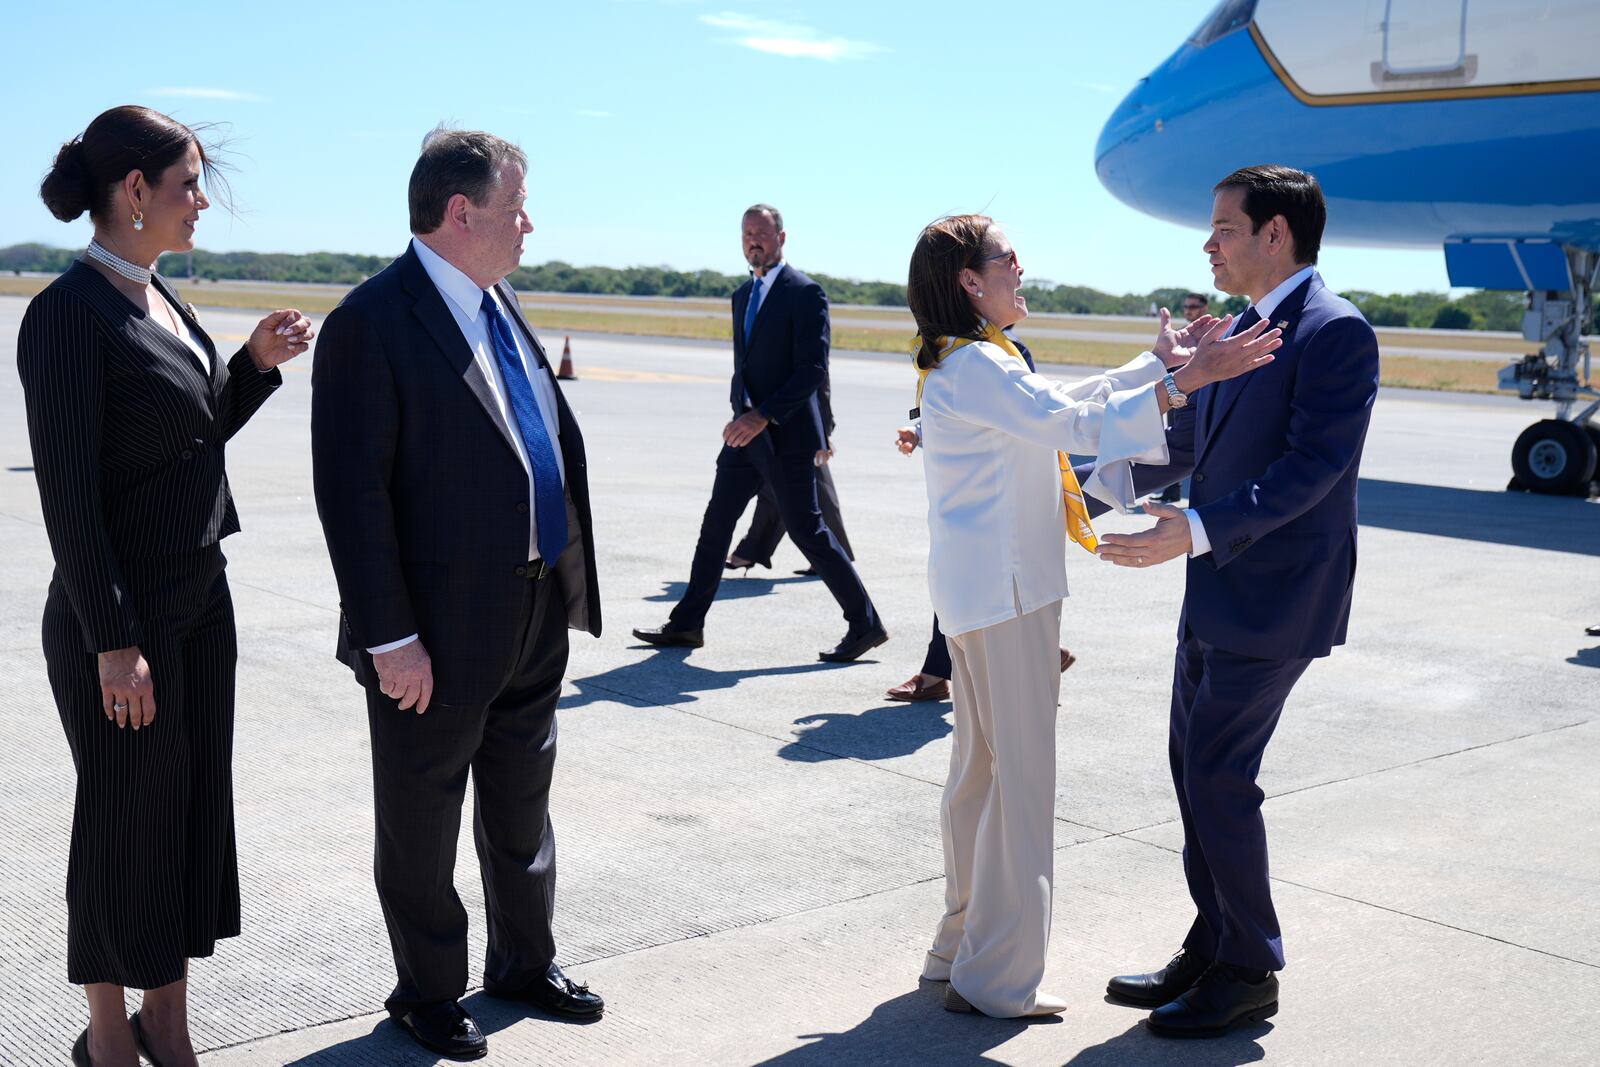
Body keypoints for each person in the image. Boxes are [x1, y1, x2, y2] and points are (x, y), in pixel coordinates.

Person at [908, 214, 1280, 1019]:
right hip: (1009, 598)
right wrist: (1185, 383)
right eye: (1007, 258)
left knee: (978, 775)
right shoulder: (978, 364)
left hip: (979, 596)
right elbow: (1068, 423)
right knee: (1019, 785)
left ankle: (959, 946)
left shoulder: (970, 360)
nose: (1020, 267)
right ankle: (995, 978)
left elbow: (1060, 401)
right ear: (972, 281)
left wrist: (1157, 363)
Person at [17, 105, 311, 1067]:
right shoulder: (68, 314)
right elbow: (71, 498)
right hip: (122, 621)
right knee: (121, 823)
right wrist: (114, 638)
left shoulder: (162, 302)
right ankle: (109, 1035)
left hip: (198, 601)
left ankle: (168, 1021)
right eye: (189, 183)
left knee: (185, 821)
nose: (202, 202)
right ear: (134, 192)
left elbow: (183, 442)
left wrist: (254, 370)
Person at [311, 127, 604, 1061]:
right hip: (431, 629)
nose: (531, 223)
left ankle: (523, 962)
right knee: (422, 814)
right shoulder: (373, 320)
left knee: (523, 802)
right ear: (461, 212)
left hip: (531, 605)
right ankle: (428, 989)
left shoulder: (500, 301)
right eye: (517, 205)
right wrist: (390, 636)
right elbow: (351, 495)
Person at [1095, 165, 1381, 1038]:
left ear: (1275, 235)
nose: (1208, 243)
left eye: (1223, 227)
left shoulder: (1334, 333)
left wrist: (1198, 528)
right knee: (1193, 773)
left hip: (1276, 598)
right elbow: (1185, 439)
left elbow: (1311, 469)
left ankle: (1250, 968)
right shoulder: (1245, 330)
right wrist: (1071, 483)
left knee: (1219, 776)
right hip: (1217, 588)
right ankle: (1215, 941)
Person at [634, 205, 887, 661]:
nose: (754, 241)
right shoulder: (741, 295)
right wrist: (741, 411)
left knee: (809, 531)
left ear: (781, 238)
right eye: (747, 233)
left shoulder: (805, 292)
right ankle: (687, 624)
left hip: (785, 434)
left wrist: (767, 416)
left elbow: (812, 369)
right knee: (715, 526)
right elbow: (746, 365)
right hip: (745, 434)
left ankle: (865, 623)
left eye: (762, 234)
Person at [887, 332, 1074, 704]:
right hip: (971, 498)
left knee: (975, 590)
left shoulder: (1001, 353)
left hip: (997, 502)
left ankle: (941, 673)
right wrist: (920, 430)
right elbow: (968, 414)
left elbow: (1024, 419)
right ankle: (1038, 653)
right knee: (966, 589)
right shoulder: (948, 349)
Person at [726, 360, 853, 575]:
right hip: (769, 421)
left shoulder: (803, 331)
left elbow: (820, 384)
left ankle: (833, 556)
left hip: (799, 424)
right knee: (784, 491)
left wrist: (822, 433)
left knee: (809, 492)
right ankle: (832, 555)